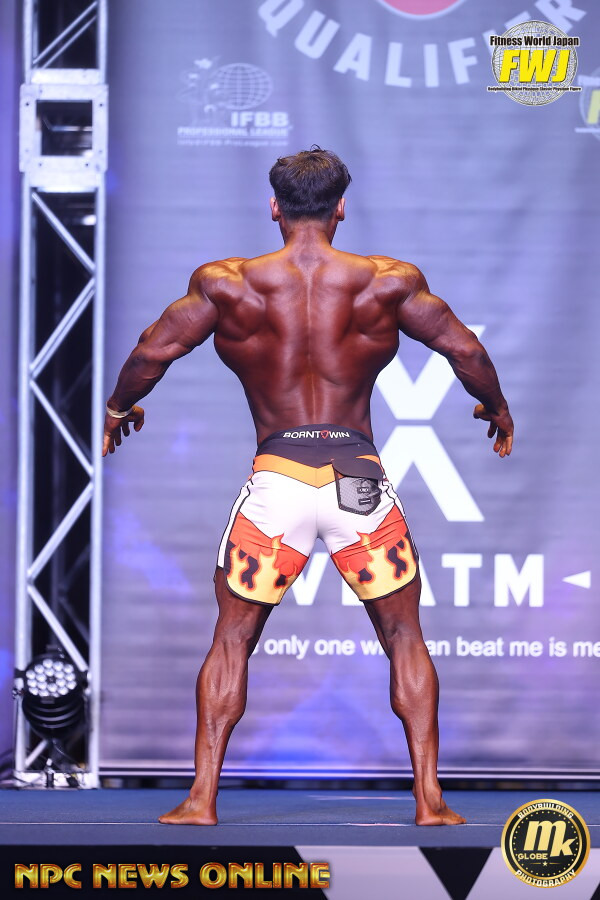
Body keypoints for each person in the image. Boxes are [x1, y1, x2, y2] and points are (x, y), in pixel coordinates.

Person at [103, 148, 513, 826]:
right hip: (358, 479)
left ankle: (201, 800)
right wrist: (496, 407)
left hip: (279, 480)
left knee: (233, 639)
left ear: (274, 207)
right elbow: (464, 349)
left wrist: (120, 408)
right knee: (404, 635)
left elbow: (152, 350)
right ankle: (430, 801)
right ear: (341, 207)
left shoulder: (228, 285)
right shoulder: (387, 282)